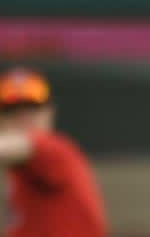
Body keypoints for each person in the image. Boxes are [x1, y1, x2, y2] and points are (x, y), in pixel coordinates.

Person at [0, 67, 108, 237]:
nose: (23, 117)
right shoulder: (18, 172)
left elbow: (18, 145)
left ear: (49, 111)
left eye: (32, 107)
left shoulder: (59, 151)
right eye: (12, 110)